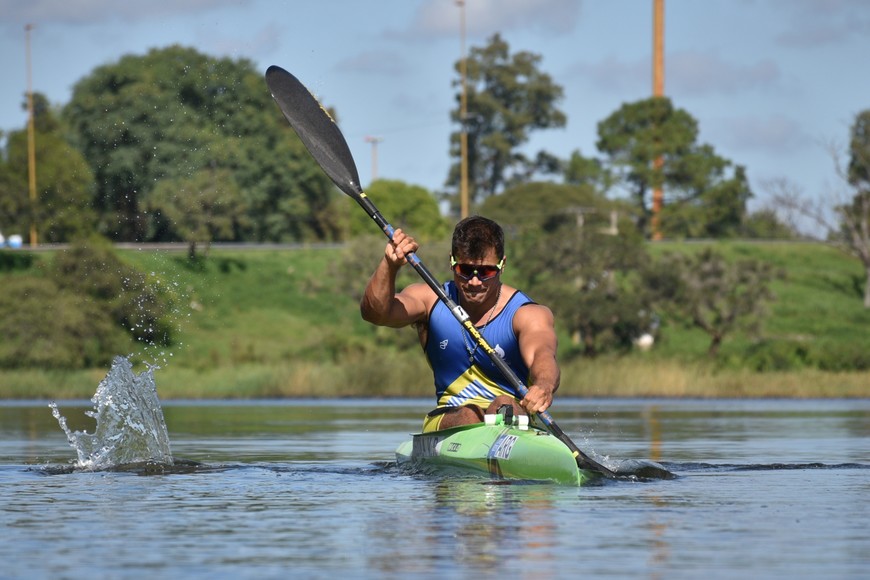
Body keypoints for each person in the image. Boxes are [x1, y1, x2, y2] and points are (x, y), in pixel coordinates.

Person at [361, 215, 560, 432]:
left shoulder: (528, 314)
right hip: (450, 417)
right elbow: (375, 314)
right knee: (469, 415)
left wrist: (543, 386)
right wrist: (389, 265)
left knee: (504, 404)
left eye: (486, 272)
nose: (474, 282)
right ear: (452, 262)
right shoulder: (430, 300)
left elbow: (543, 354)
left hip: (512, 417)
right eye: (465, 270)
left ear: (502, 266)